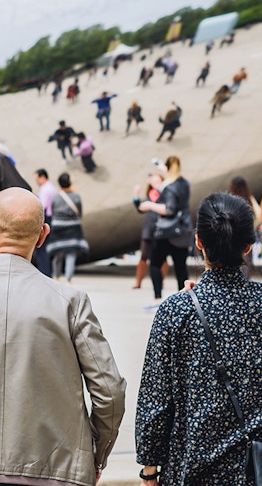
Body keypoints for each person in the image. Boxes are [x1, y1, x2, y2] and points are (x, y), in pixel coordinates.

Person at [135, 192, 262, 485]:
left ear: (198, 241)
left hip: (191, 466)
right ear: (249, 246)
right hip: (253, 470)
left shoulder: (176, 309)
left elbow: (156, 398)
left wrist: (148, 471)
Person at [0, 187, 126, 486]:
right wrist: (96, 452)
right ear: (43, 235)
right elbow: (110, 391)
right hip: (56, 470)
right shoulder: (70, 301)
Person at [138, 156, 192, 309]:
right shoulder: (184, 183)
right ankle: (184, 300)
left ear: (168, 168)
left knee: (155, 263)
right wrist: (163, 169)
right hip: (182, 230)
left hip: (166, 232)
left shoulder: (169, 186)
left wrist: (149, 205)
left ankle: (157, 298)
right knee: (181, 267)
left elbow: (168, 209)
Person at [46, 172, 89, 282]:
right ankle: (68, 279)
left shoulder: (55, 197)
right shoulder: (76, 196)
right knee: (71, 253)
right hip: (73, 227)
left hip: (58, 227)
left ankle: (56, 276)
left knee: (58, 253)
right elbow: (80, 213)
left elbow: (52, 211)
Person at [132, 160, 168, 289]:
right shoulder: (150, 194)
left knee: (162, 257)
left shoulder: (166, 193)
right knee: (144, 256)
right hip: (149, 227)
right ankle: (138, 281)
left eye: (156, 180)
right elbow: (140, 208)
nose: (153, 181)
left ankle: (160, 281)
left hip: (162, 227)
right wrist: (136, 196)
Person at [228, 175, 262, 272]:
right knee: (246, 262)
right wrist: (252, 227)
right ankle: (244, 283)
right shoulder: (249, 200)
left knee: (231, 262)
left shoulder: (229, 199)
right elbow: (259, 215)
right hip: (246, 236)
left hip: (231, 235)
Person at [33, 168, 57, 276]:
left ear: (42, 177)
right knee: (46, 248)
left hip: (46, 219)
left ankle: (44, 273)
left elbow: (41, 206)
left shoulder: (45, 189)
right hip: (52, 218)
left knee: (41, 248)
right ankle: (48, 272)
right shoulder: (52, 188)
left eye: (37, 179)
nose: (37, 182)